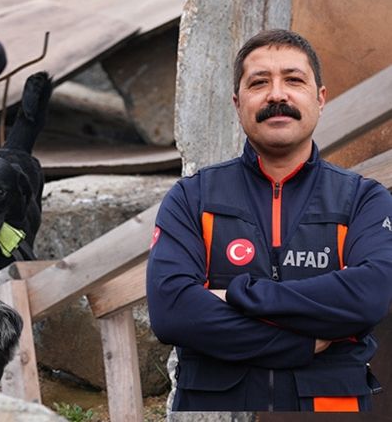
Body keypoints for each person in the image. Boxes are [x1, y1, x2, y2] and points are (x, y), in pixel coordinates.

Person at [147, 29, 392, 412]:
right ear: (238, 102)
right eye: (259, 83)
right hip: (216, 408)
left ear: (320, 98)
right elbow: (172, 312)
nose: (277, 95)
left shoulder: (364, 199)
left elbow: (370, 296)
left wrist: (239, 294)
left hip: (330, 407)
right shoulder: (192, 198)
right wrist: (300, 341)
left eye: (293, 80)